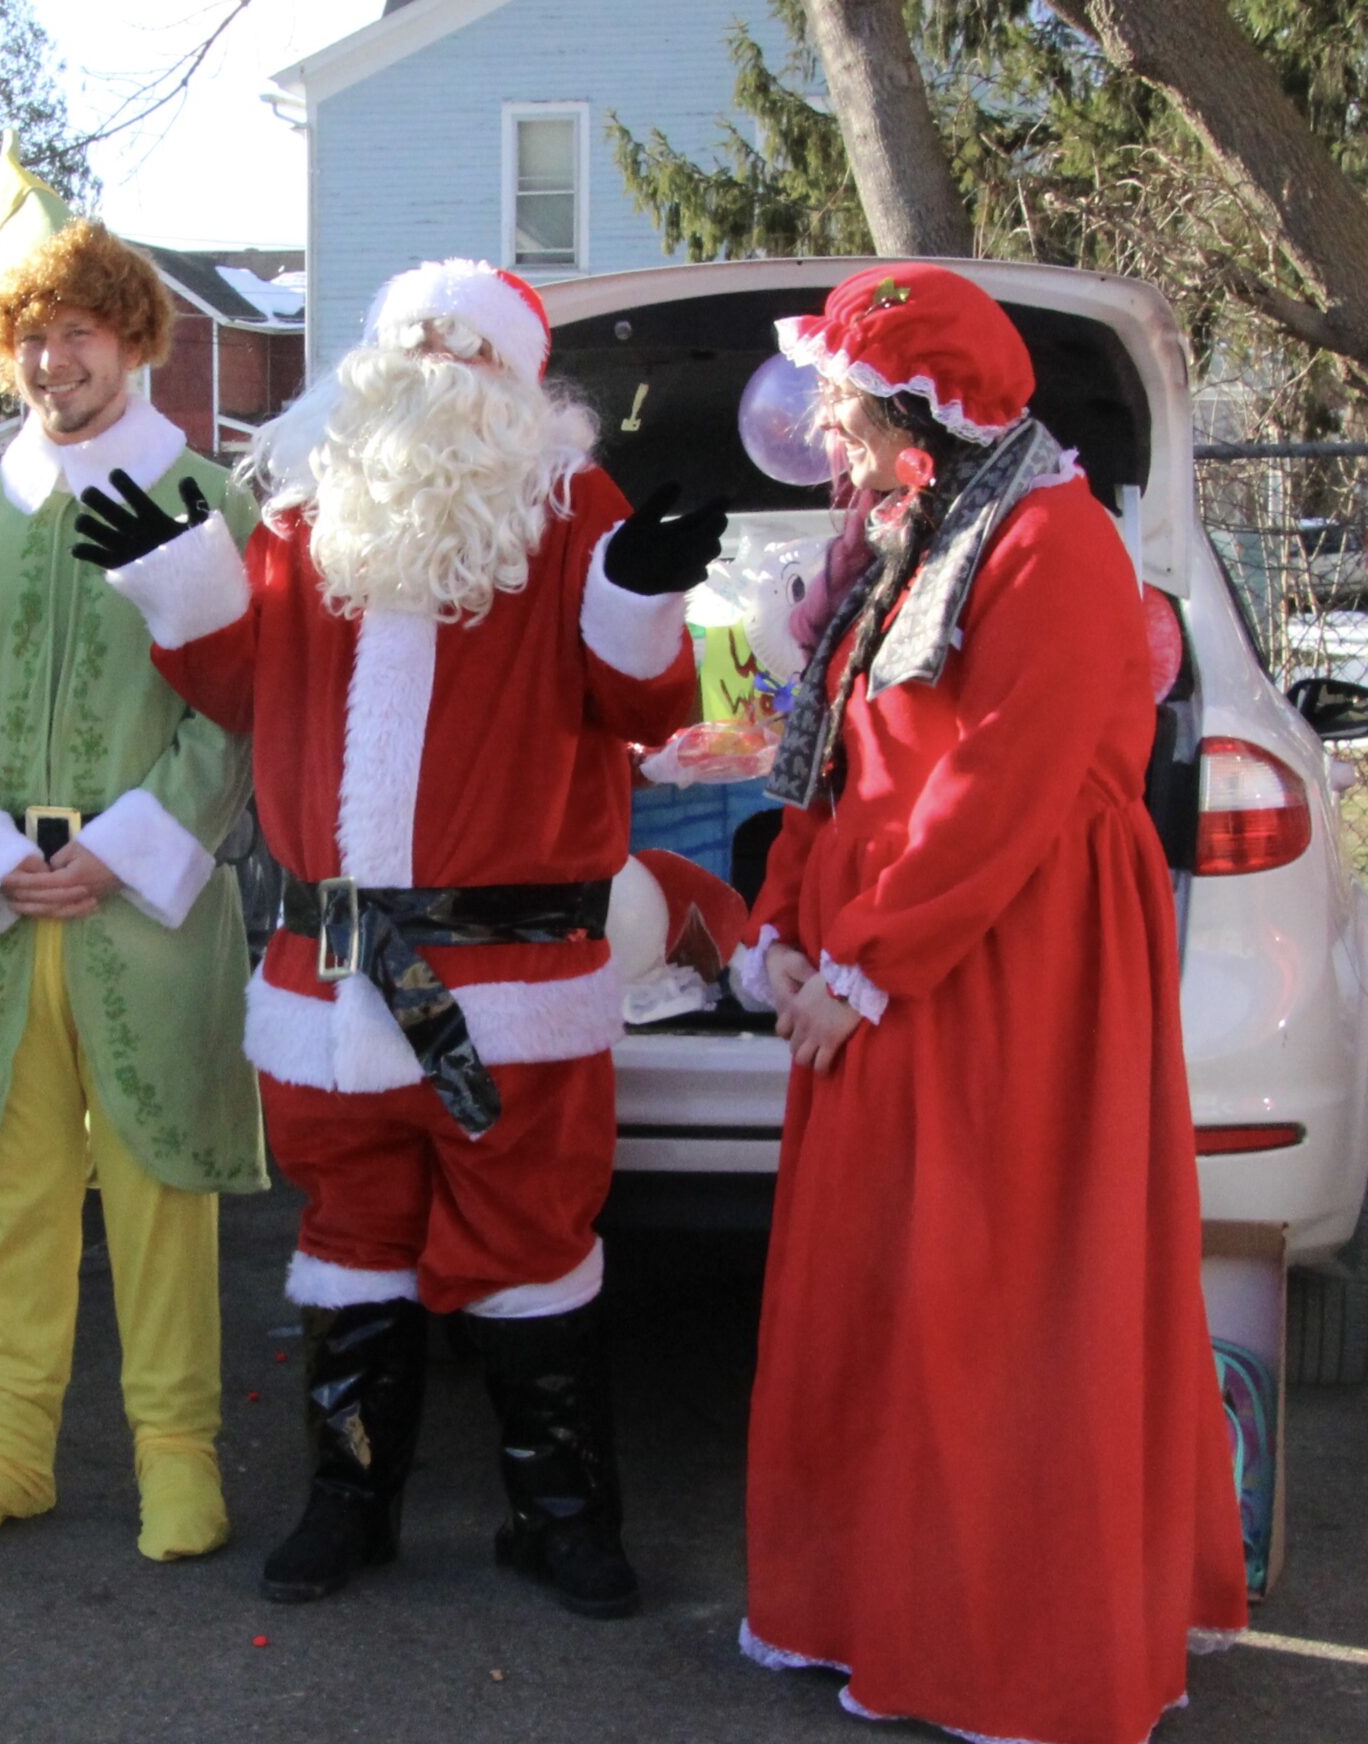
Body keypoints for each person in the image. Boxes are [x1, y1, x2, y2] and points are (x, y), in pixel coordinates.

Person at [74, 260, 722, 1615]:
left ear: (519, 383)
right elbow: (240, 677)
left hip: (508, 989)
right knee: (350, 1250)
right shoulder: (305, 516)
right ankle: (349, 1500)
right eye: (413, 336)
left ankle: (562, 1519)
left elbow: (644, 704)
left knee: (534, 1250)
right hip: (329, 987)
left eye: (465, 343)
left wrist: (641, 594)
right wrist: (174, 583)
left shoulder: (573, 515)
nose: (434, 360)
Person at [731, 262, 1248, 1743]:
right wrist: (784, 923)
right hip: (893, 973)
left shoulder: (1054, 541)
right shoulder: (901, 539)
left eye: (841, 411)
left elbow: (1002, 788)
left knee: (994, 1308)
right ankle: (873, 1608)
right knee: (887, 1309)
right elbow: (834, 757)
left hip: (1009, 978)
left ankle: (1008, 1650)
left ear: (920, 413)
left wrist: (865, 963)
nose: (824, 439)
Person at [0, 140, 265, 1563]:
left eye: (79, 335)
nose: (54, 366)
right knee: (12, 1197)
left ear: (134, 339)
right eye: (31, 341)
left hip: (145, 916)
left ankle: (178, 1453)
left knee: (163, 1187)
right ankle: (4, 1450)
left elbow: (234, 714)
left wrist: (121, 849)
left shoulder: (210, 508)